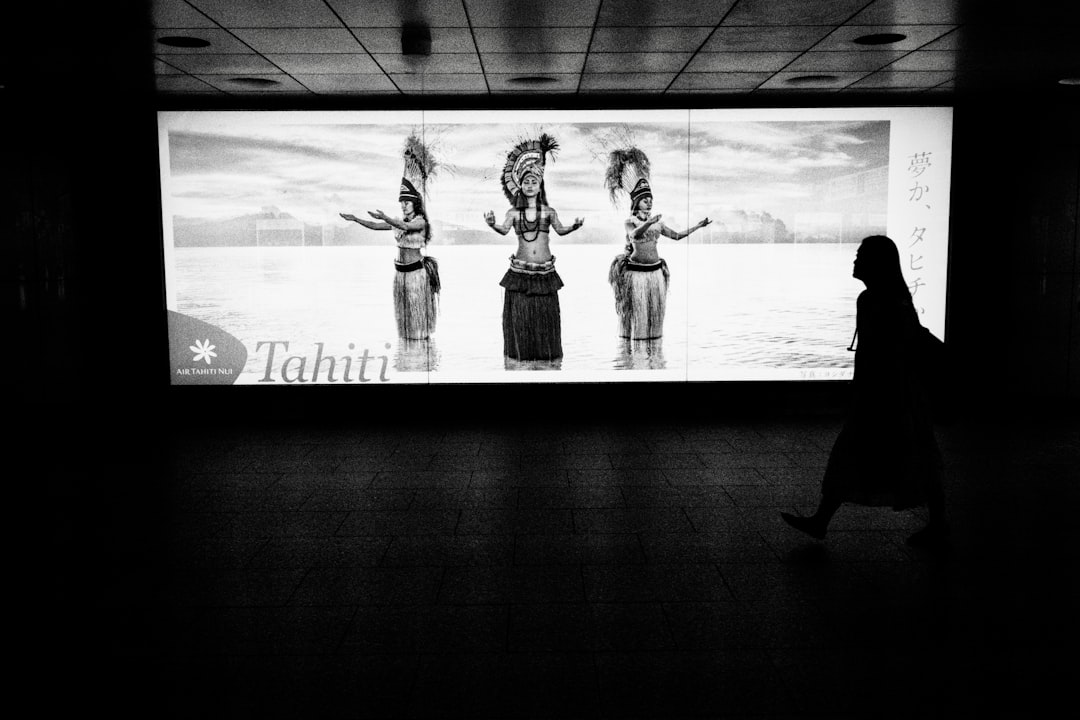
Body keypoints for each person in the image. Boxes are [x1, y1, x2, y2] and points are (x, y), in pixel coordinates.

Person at [781, 235, 949, 547]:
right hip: (895, 394)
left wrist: (861, 393)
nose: (854, 260)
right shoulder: (882, 299)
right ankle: (937, 524)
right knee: (912, 456)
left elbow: (880, 355)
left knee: (861, 456)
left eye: (860, 256)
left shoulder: (879, 302)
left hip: (889, 396)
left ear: (875, 263)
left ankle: (821, 521)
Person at [484, 133, 584, 362]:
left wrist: (574, 227)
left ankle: (548, 362)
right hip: (520, 272)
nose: (530, 185)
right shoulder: (514, 213)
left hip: (545, 272)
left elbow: (560, 230)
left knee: (546, 319)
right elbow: (503, 229)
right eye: (526, 182)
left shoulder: (549, 212)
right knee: (521, 320)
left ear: (540, 186)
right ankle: (520, 361)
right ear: (520, 185)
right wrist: (492, 225)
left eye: (534, 182)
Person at [340, 135, 440, 341]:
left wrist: (386, 217)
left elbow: (404, 225)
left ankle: (422, 352)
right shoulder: (397, 222)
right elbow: (377, 226)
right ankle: (408, 354)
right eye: (401, 202)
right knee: (406, 324)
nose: (403, 206)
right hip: (400, 275)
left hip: (416, 276)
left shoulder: (420, 222)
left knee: (419, 326)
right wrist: (356, 219)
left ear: (415, 204)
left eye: (407, 203)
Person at [604, 147, 710, 340]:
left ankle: (654, 353)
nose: (649, 203)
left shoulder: (658, 223)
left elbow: (677, 236)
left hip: (655, 272)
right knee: (638, 315)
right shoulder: (630, 222)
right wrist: (649, 223)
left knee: (654, 320)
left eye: (650, 200)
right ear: (637, 203)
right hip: (636, 273)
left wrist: (698, 226)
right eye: (645, 200)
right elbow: (634, 236)